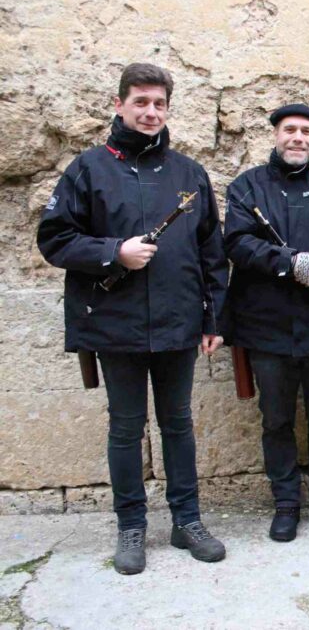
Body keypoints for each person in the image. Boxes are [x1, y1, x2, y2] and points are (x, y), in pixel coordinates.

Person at [36, 63, 228, 575]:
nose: (150, 112)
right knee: (125, 428)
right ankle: (131, 526)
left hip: (177, 322)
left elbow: (212, 250)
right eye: (141, 101)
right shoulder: (88, 169)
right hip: (115, 324)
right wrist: (113, 251)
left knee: (179, 424)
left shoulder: (190, 174)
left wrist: (213, 317)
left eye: (159, 103)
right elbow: (54, 239)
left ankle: (187, 520)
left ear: (168, 109)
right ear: (119, 105)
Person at [223, 104, 309, 542]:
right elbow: (238, 243)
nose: (297, 138)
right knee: (276, 420)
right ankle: (285, 503)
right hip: (267, 329)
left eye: (306, 131)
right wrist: (290, 262)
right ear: (277, 136)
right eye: (289, 130)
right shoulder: (247, 188)